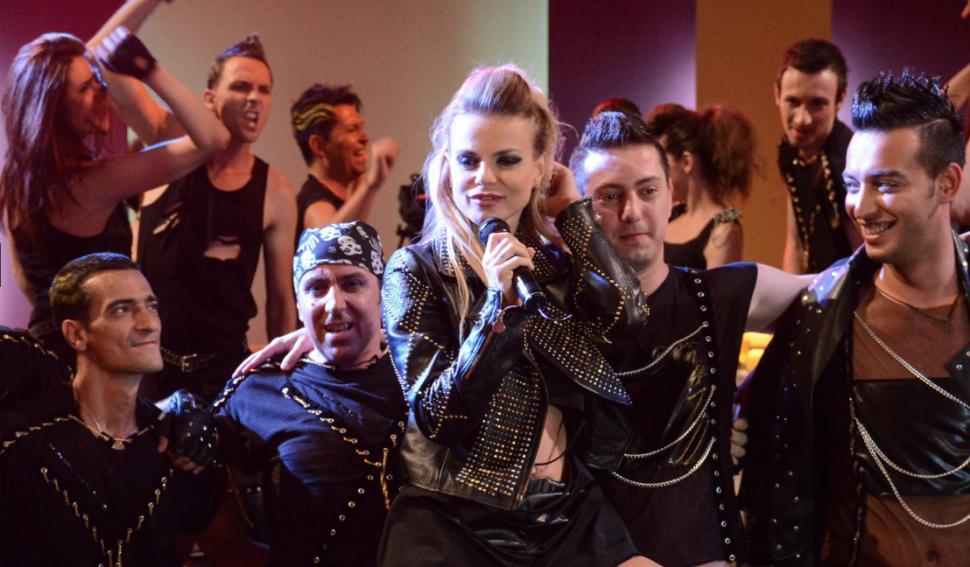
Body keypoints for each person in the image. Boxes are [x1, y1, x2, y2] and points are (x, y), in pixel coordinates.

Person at [377, 65, 654, 566]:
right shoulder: (417, 269)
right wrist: (496, 310)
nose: (484, 178)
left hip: (566, 516)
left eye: (507, 160)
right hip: (456, 521)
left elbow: (627, 319)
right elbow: (439, 416)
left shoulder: (551, 267)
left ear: (540, 169)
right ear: (448, 166)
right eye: (468, 160)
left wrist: (572, 213)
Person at [742, 71, 968, 566]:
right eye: (851, 185)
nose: (859, 207)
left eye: (885, 184)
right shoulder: (823, 316)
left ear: (947, 183)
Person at [569, 110, 810, 566]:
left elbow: (836, 291)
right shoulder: (559, 318)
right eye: (610, 196)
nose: (631, 212)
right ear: (581, 209)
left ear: (670, 195)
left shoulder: (715, 296)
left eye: (647, 191)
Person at [0, 0, 228, 363]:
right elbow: (212, 139)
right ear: (54, 107)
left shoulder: (14, 183)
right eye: (85, 89)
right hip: (90, 360)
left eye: (98, 80)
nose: (103, 90)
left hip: (45, 354)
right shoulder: (95, 181)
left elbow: (29, 284)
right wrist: (149, 70)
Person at [0, 252, 225, 566]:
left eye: (151, 306)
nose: (148, 324)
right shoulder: (21, 445)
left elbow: (227, 548)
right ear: (76, 334)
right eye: (122, 310)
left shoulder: (177, 444)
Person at [207, 221, 407, 566]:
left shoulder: (422, 373)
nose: (334, 303)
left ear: (382, 293)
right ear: (299, 304)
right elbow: (191, 482)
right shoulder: (260, 388)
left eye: (352, 283)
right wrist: (238, 554)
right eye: (316, 288)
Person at [138, 32, 298, 402]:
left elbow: (280, 302)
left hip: (223, 376)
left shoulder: (275, 190)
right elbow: (117, 79)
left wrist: (282, 383)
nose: (255, 99)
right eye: (241, 87)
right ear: (209, 98)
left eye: (264, 90)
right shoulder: (169, 158)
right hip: (151, 368)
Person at [775, 39, 862, 274]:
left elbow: (865, 258)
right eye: (793, 102)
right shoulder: (789, 150)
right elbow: (795, 243)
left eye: (817, 104)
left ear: (840, 100)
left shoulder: (849, 162)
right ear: (777, 94)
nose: (802, 119)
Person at [647, 103, 755, 269]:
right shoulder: (671, 214)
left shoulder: (723, 229)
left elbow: (719, 286)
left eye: (661, 162)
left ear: (686, 162)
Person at [290, 84, 400, 237]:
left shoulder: (348, 194)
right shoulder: (315, 204)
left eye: (361, 128)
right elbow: (332, 244)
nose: (364, 137)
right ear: (318, 146)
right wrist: (371, 183)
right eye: (352, 129)